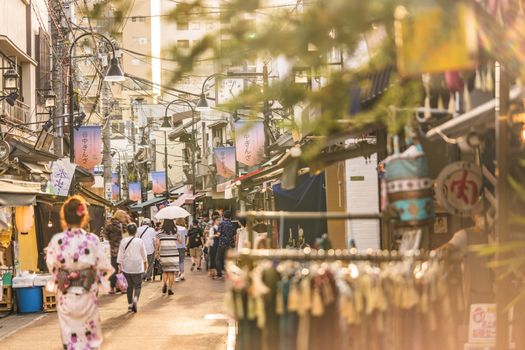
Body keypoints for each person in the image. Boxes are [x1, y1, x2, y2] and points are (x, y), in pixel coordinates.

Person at [45, 195, 114, 350]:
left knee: (70, 336)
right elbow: (104, 266)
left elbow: (52, 265)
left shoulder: (57, 240)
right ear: (84, 216)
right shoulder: (92, 240)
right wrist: (93, 275)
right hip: (87, 292)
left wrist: (66, 273)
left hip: (66, 294)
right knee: (88, 336)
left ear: (64, 216)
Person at [117, 223, 147, 313]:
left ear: (128, 231)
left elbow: (120, 254)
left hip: (127, 266)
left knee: (130, 286)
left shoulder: (123, 241)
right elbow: (144, 254)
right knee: (138, 286)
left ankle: (130, 305)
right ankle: (135, 299)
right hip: (137, 266)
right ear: (136, 231)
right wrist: (146, 263)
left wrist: (119, 264)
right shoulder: (140, 241)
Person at [103, 209, 129, 294]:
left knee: (113, 269)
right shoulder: (123, 225)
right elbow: (128, 234)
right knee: (122, 269)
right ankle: (123, 287)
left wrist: (112, 240)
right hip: (122, 251)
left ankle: (112, 288)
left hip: (113, 250)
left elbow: (106, 237)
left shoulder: (109, 225)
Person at [155, 220, 181, 295]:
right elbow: (180, 241)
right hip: (173, 254)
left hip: (164, 254)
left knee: (165, 271)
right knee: (171, 272)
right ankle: (170, 289)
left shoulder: (159, 234)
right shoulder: (175, 233)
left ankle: (164, 284)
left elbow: (157, 244)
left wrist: (156, 253)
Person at [215, 210, 237, 279]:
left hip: (222, 244)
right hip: (230, 244)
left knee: (218, 259)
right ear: (230, 216)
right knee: (228, 259)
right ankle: (228, 273)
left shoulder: (221, 224)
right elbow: (234, 234)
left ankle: (219, 274)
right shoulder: (232, 224)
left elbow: (218, 234)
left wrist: (213, 235)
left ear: (223, 216)